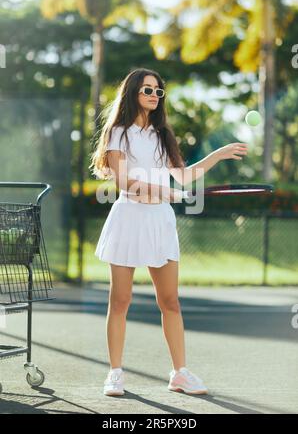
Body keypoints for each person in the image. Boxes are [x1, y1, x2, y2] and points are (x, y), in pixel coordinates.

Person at [89, 68, 248, 397]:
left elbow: (185, 177)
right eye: (147, 89)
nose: (153, 95)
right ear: (132, 91)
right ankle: (115, 373)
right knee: (120, 301)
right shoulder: (119, 131)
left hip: (160, 222)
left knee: (171, 302)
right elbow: (124, 183)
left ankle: (180, 373)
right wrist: (165, 193)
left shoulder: (162, 134)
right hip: (128, 219)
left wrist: (217, 156)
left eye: (158, 91)